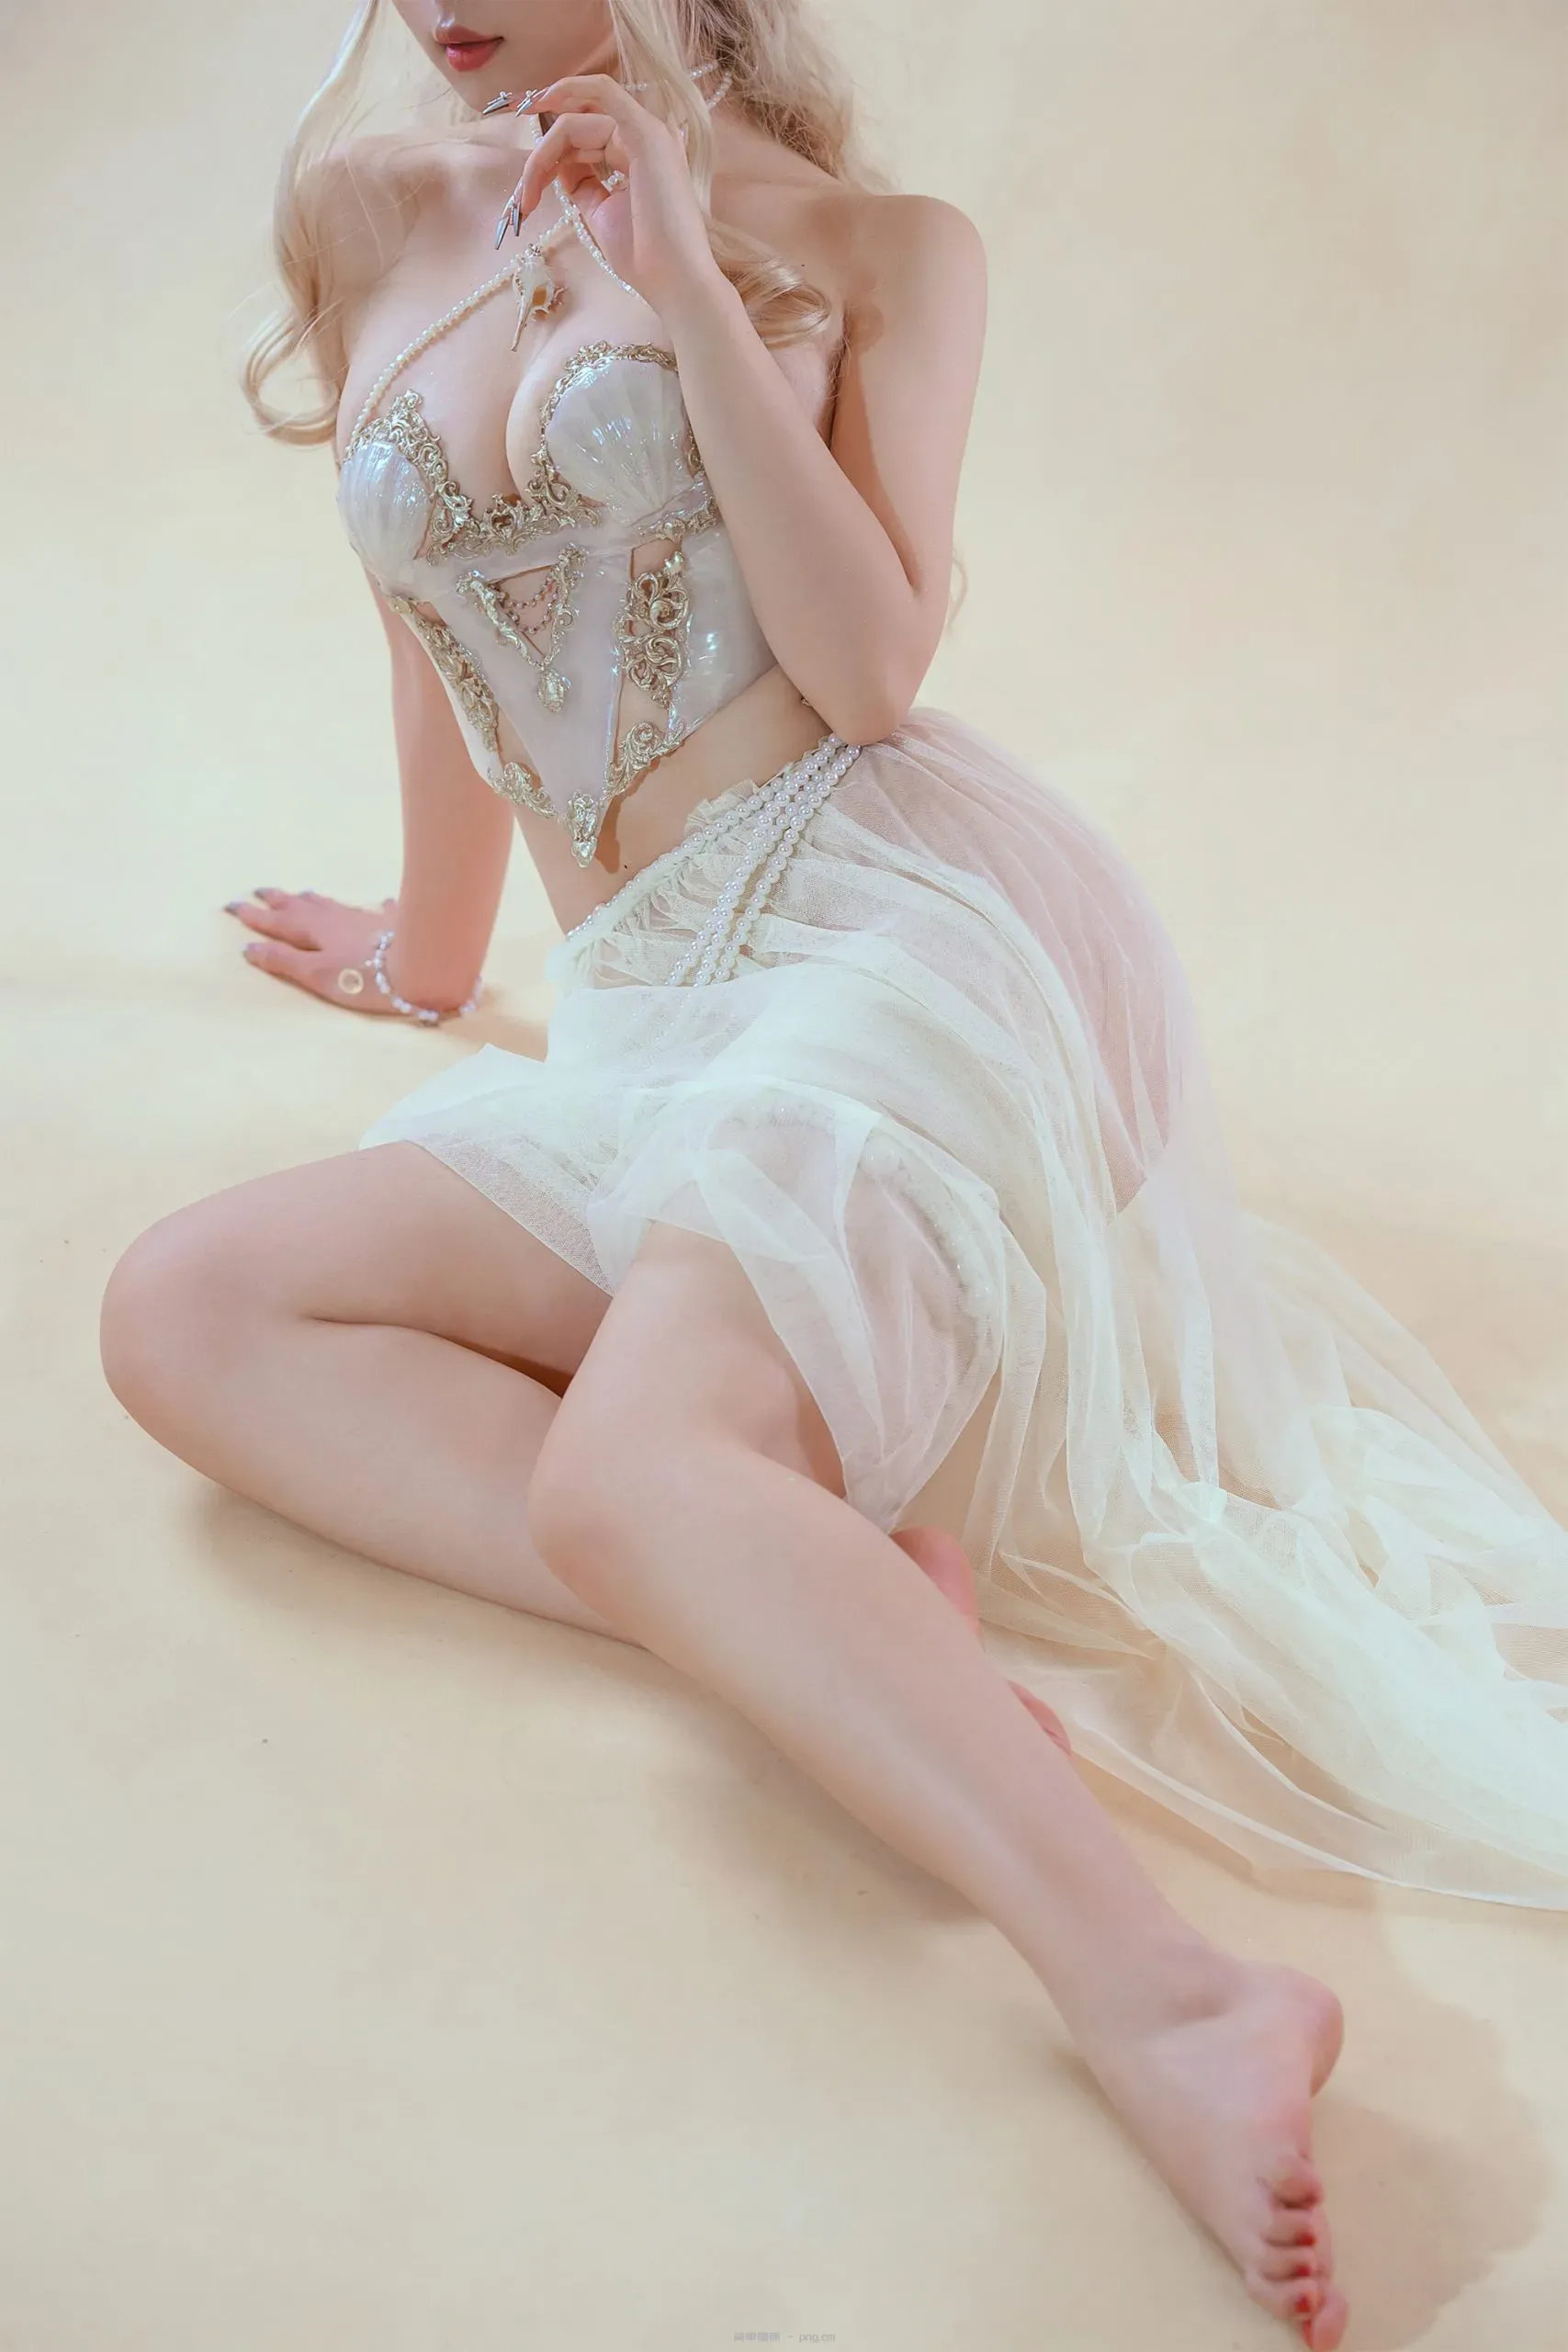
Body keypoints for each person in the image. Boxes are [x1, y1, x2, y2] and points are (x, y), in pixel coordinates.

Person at [96, 3, 1568, 2342]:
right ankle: (837, 1585)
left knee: (632, 1465)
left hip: (905, 927)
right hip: (650, 1002)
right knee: (185, 1307)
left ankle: (1173, 1991)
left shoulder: (880, 250)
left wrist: (685, 276)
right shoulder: (364, 210)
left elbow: (872, 669)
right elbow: (429, 608)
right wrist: (429, 947)